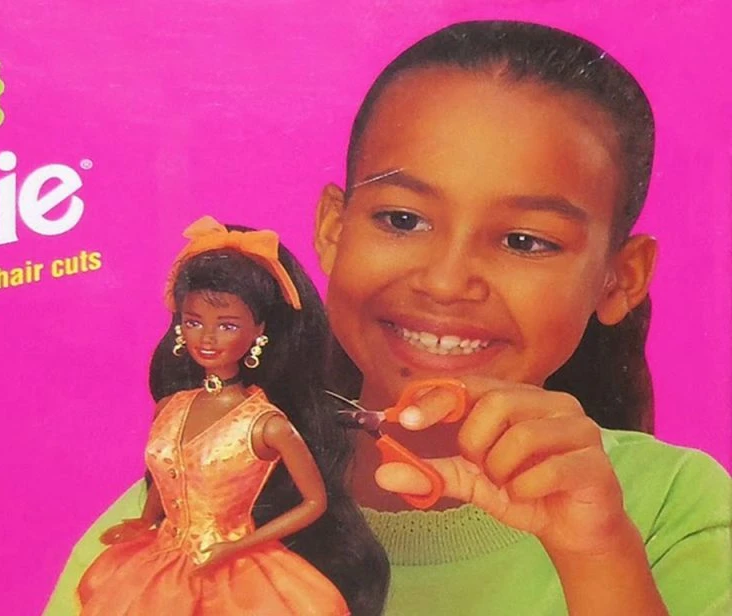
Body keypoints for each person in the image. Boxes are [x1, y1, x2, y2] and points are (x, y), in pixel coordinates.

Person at [47, 21, 731, 615]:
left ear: (620, 278)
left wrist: (597, 554)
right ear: (333, 230)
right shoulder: (189, 502)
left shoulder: (676, 505)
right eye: (402, 220)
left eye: (525, 241)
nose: (445, 282)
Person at [75, 217, 386, 615]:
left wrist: (239, 545)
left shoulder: (264, 424)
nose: (207, 338)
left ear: (258, 331)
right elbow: (172, 471)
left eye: (227, 326)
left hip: (235, 569)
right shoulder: (171, 407)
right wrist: (145, 521)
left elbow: (314, 502)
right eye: (193, 322)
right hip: (163, 562)